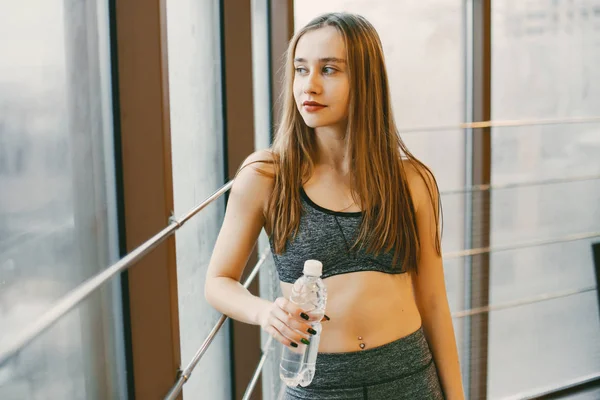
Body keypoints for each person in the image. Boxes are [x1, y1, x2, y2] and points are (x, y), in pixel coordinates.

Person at [205, 12, 464, 400]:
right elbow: (217, 282)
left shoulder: (412, 182)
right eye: (300, 69)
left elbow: (433, 302)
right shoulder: (266, 177)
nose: (309, 85)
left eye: (329, 69)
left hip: (409, 380)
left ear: (365, 79)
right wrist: (265, 313)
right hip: (317, 388)